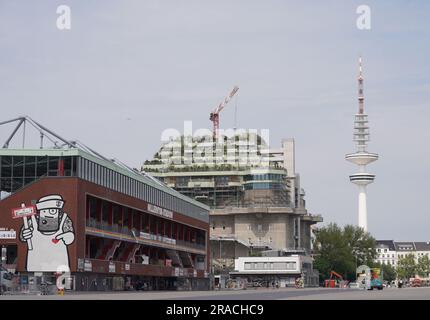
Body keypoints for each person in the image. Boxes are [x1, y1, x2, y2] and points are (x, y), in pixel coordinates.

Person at [20, 195, 75, 272]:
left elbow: (70, 235)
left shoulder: (64, 220)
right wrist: (24, 234)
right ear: (40, 212)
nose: (48, 215)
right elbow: (22, 237)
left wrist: (69, 237)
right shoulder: (31, 222)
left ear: (59, 213)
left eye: (53, 211)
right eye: (44, 211)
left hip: (59, 266)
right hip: (35, 265)